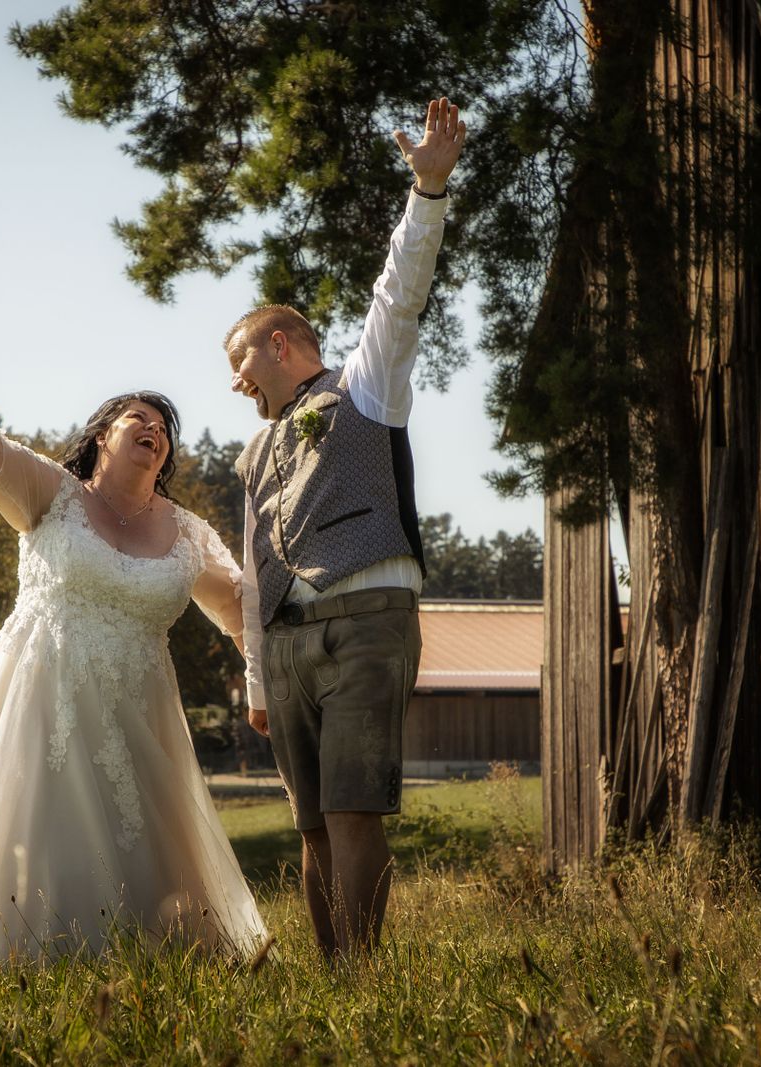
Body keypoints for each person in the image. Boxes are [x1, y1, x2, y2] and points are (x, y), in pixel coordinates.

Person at [0, 326, 269, 967]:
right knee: (31, 832)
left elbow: (242, 610)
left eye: (164, 429)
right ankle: (9, 955)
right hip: (39, 693)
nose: (155, 430)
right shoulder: (51, 494)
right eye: (138, 419)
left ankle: (146, 959)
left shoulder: (186, 533)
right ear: (101, 437)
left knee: (142, 851)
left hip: (141, 716)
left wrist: (270, 680)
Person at [226, 97, 466, 957]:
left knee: (353, 807)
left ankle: (363, 984)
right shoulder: (252, 458)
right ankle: (331, 981)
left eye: (240, 361)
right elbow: (255, 577)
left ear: (285, 343)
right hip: (288, 646)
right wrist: (257, 680)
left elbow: (398, 296)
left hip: (367, 622)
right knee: (309, 827)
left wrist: (426, 192)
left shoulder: (365, 387)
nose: (234, 384)